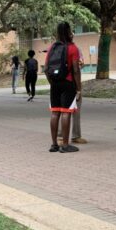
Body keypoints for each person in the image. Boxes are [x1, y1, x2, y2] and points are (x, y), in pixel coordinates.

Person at [46, 22, 82, 153]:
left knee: (55, 112)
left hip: (54, 83)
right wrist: (79, 88)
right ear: (69, 32)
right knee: (66, 113)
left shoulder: (52, 48)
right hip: (68, 83)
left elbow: (46, 68)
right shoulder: (73, 48)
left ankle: (54, 144)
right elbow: (76, 69)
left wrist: (52, 82)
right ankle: (65, 145)